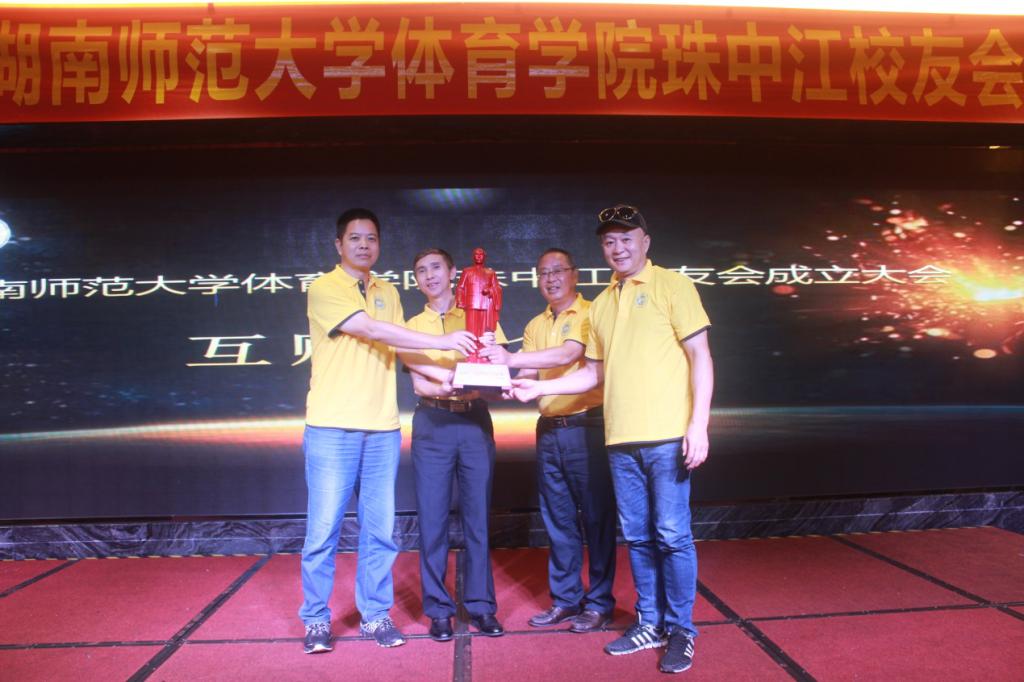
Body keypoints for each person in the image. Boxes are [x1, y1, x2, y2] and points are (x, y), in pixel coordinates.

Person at [512, 205, 713, 674]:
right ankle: (649, 622)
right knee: (638, 537)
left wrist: (698, 424)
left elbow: (700, 355)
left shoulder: (673, 285)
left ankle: (681, 629)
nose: (618, 248)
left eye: (626, 238)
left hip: (667, 435)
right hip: (619, 438)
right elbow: (591, 374)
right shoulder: (602, 304)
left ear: (645, 241)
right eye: (609, 241)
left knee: (672, 535)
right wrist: (537, 388)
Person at [300, 210, 477, 654]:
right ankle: (316, 619)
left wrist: (448, 376)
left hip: (381, 428)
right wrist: (442, 342)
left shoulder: (388, 291)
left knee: (380, 531)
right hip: (332, 426)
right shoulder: (324, 287)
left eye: (371, 238)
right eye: (355, 238)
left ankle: (375, 614)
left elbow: (399, 343)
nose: (364, 245)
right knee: (323, 531)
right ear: (339, 244)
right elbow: (369, 328)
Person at [479, 248, 617, 633]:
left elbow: (569, 353)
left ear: (575, 274)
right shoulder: (535, 324)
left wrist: (508, 360)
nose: (551, 279)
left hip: (587, 427)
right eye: (543, 273)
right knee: (557, 520)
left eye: (558, 271)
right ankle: (566, 599)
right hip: (550, 429)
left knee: (597, 518)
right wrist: (491, 377)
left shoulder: (591, 313)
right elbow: (525, 370)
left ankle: (599, 603)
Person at [398, 248, 507, 641]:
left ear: (453, 273)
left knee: (478, 519)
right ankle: (438, 610)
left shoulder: (479, 313)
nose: (429, 276)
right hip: (433, 423)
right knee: (432, 521)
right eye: (420, 270)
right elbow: (419, 383)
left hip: (474, 422)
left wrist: (481, 380)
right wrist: (449, 383)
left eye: (436, 268)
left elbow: (497, 377)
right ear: (416, 280)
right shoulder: (411, 325)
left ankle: (481, 606)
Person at [455, 247, 502, 361]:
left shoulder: (490, 273)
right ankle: (472, 355)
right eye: (476, 254)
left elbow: (497, 288)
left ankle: (483, 355)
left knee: (484, 333)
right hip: (472, 304)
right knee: (472, 332)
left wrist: (490, 290)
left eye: (481, 254)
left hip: (486, 305)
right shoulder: (467, 271)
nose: (479, 256)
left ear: (484, 257)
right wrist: (460, 301)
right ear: (473, 256)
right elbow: (460, 287)